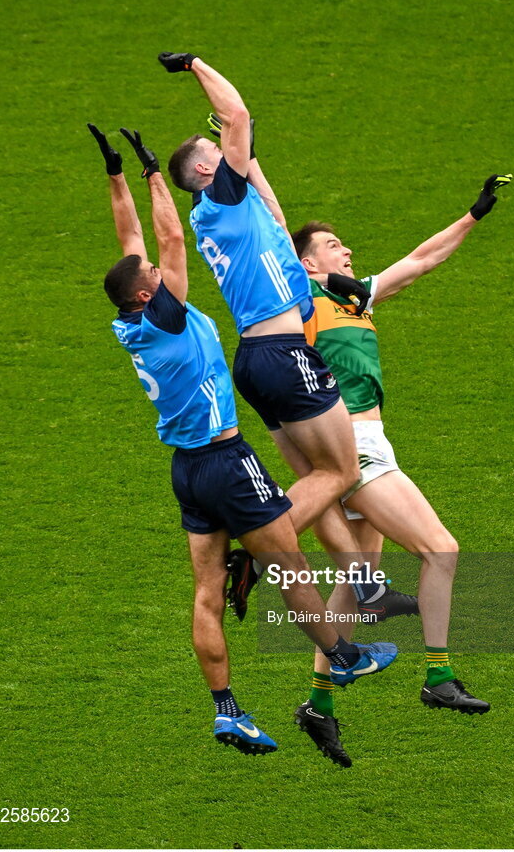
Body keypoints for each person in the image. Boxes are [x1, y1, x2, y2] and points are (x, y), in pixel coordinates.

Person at [88, 122, 397, 758]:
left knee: (206, 595)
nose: (159, 266)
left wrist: (118, 174)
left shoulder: (130, 320)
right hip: (226, 459)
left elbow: (132, 244)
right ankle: (341, 656)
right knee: (288, 560)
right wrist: (153, 171)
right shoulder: (166, 310)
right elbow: (168, 238)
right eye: (153, 274)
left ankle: (227, 710)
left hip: (186, 473)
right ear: (149, 293)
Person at [158, 51, 413, 617]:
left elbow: (273, 211)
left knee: (316, 475)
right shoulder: (220, 197)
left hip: (256, 357)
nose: (226, 154)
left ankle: (364, 586)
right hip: (282, 353)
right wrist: (196, 65)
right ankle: (260, 549)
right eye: (216, 154)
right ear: (205, 172)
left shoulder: (225, 210)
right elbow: (239, 113)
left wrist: (251, 160)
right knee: (341, 471)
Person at [286, 173, 512, 764]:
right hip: (351, 445)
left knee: (354, 581)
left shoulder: (352, 295)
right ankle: (438, 677)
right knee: (441, 550)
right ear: (306, 262)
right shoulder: (298, 303)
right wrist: (243, 158)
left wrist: (473, 215)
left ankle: (319, 705)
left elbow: (419, 261)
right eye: (334, 245)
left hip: (369, 440)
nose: (348, 250)